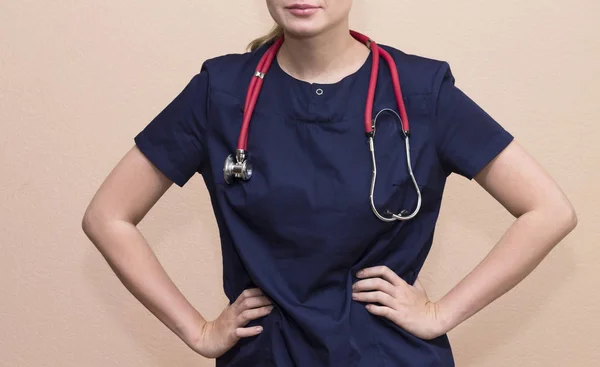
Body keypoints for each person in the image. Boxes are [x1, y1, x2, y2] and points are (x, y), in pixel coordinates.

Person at [81, 1, 578, 366]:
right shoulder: (221, 93)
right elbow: (107, 216)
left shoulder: (419, 92)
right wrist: (199, 331)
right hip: (267, 355)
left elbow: (548, 211)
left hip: (387, 356)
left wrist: (440, 313)